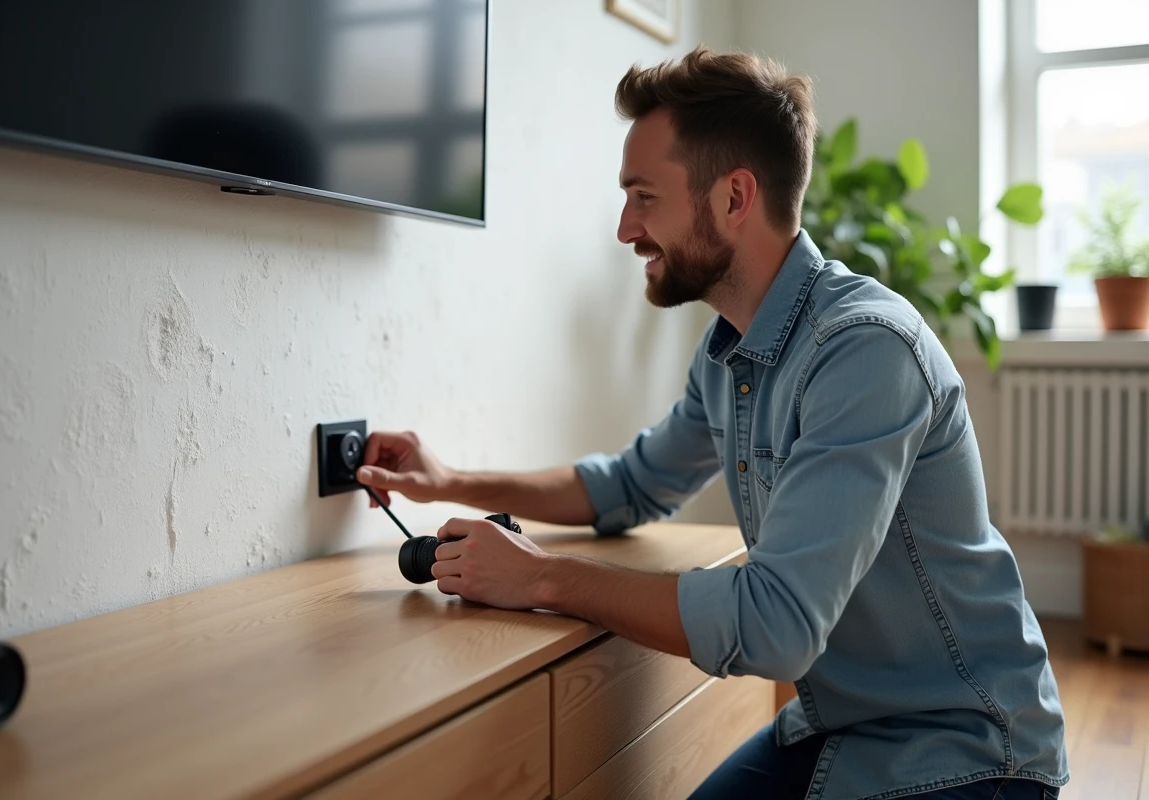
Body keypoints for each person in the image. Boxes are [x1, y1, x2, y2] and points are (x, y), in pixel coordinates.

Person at [356, 47, 1068, 800]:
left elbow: (774, 625)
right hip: (839, 728)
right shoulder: (731, 348)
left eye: (643, 197)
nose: (626, 228)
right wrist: (447, 480)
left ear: (734, 197)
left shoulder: (865, 350)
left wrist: (542, 576)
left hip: (968, 749)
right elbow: (631, 485)